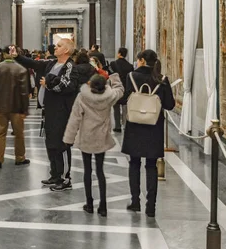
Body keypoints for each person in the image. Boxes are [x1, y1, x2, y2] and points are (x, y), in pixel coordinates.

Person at [14, 38, 78, 191]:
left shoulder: (70, 66)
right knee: (51, 143)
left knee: (61, 144)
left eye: (59, 46)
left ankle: (65, 178)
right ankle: (55, 174)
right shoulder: (51, 63)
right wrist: (17, 56)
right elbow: (34, 64)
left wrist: (48, 83)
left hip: (62, 112)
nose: (55, 47)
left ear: (66, 50)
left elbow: (67, 86)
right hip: (49, 110)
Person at [122, 49, 175, 217]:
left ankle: (135, 201)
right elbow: (169, 105)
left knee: (134, 164)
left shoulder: (131, 76)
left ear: (142, 60)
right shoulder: (162, 79)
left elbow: (124, 99)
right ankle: (151, 206)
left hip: (135, 125)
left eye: (138, 60)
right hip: (154, 126)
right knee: (151, 166)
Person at [63, 74, 124, 217]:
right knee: (100, 171)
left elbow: (75, 118)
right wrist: (114, 76)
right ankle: (103, 206)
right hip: (101, 137)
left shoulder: (82, 97)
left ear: (90, 84)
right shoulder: (109, 97)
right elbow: (120, 90)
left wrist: (69, 138)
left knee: (87, 171)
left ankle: (89, 203)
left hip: (86, 137)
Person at [0, 46, 30, 169]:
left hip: (0, 107)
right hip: (16, 108)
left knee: (0, 134)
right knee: (19, 134)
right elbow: (24, 92)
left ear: (4, 54)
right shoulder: (21, 69)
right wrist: (25, 109)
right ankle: (20, 157)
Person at [109, 47, 134, 132]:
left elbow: (110, 76)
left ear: (119, 53)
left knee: (116, 107)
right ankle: (125, 125)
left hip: (116, 88)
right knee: (125, 107)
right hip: (126, 88)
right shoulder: (130, 66)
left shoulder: (113, 64)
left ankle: (117, 126)